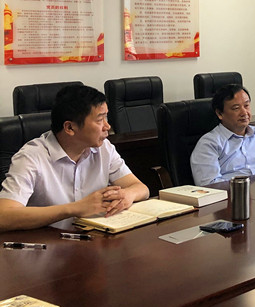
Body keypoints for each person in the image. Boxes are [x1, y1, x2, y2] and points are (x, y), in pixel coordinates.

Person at [0, 85, 149, 231]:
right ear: (70, 128)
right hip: (49, 242)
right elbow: (4, 216)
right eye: (100, 120)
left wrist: (127, 195)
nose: (107, 126)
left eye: (106, 117)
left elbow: (141, 188)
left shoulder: (104, 148)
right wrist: (75, 208)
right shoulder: (31, 157)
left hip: (96, 239)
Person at [191, 84, 255, 186]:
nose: (244, 113)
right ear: (219, 114)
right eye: (236, 108)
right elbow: (210, 185)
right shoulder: (209, 144)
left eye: (246, 106)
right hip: (234, 194)